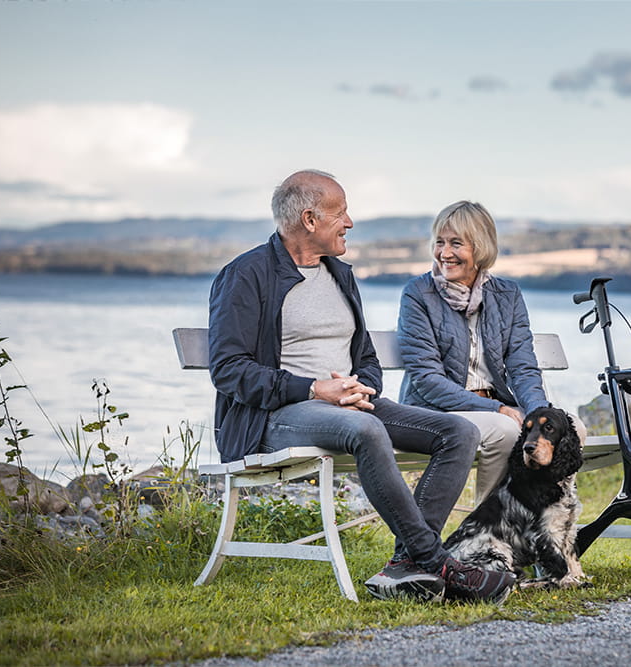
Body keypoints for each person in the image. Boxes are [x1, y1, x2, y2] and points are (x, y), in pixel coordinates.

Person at [208, 171, 515, 604]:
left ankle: (404, 567)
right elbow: (229, 370)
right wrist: (316, 390)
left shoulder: (338, 274)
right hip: (274, 418)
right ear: (311, 219)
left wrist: (360, 390)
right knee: (367, 431)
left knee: (459, 432)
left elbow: (366, 358)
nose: (349, 222)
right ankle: (437, 562)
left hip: (348, 409)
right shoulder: (246, 275)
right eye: (341, 212)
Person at [396, 200, 587, 505]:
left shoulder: (507, 294)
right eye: (440, 242)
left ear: (480, 247)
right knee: (504, 430)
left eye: (456, 243)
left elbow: (523, 367)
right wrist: (496, 410)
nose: (445, 253)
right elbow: (426, 379)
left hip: (497, 409)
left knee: (573, 427)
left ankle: (544, 520)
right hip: (436, 411)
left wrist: (539, 416)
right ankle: (487, 531)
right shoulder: (418, 295)